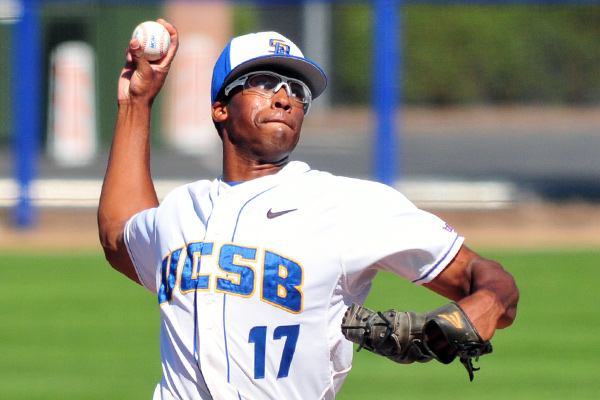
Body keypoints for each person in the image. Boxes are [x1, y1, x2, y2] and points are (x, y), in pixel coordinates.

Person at [98, 19, 519, 400]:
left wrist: (489, 301)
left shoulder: (346, 204)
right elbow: (119, 236)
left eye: (297, 92)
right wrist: (136, 103)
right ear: (221, 107)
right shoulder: (181, 210)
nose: (284, 98)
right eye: (264, 82)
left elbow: (486, 277)